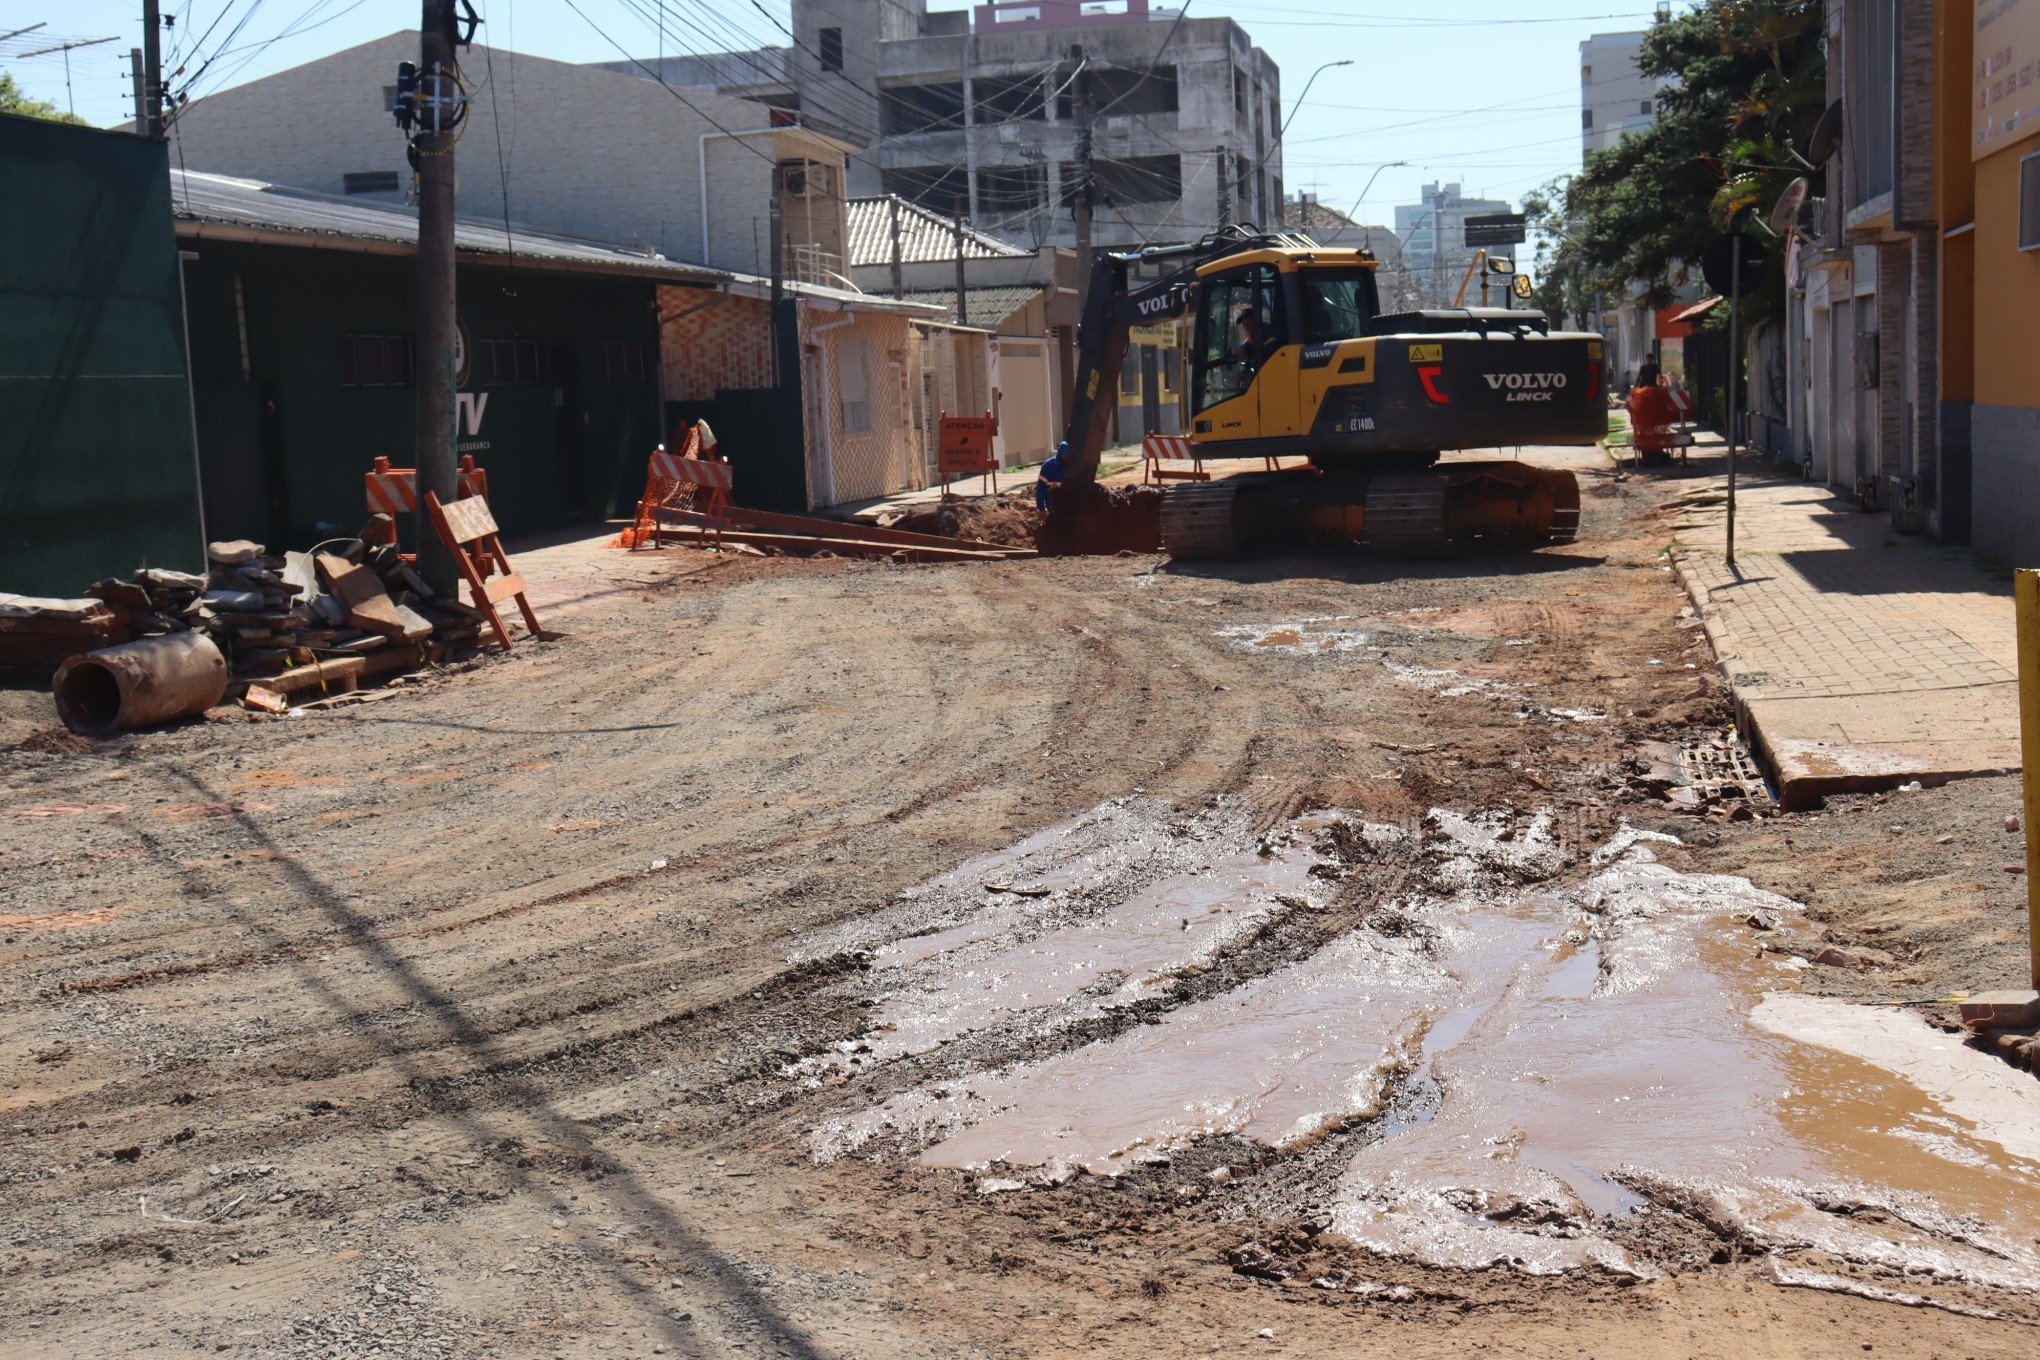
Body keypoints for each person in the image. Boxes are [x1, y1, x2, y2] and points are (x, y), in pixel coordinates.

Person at [1036, 440, 1069, 512]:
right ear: (1059, 451)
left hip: (1067, 504)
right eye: (1063, 454)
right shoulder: (1048, 465)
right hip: (1052, 505)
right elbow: (1040, 486)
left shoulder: (1071, 465)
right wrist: (1041, 508)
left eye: (1066, 455)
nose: (1064, 457)